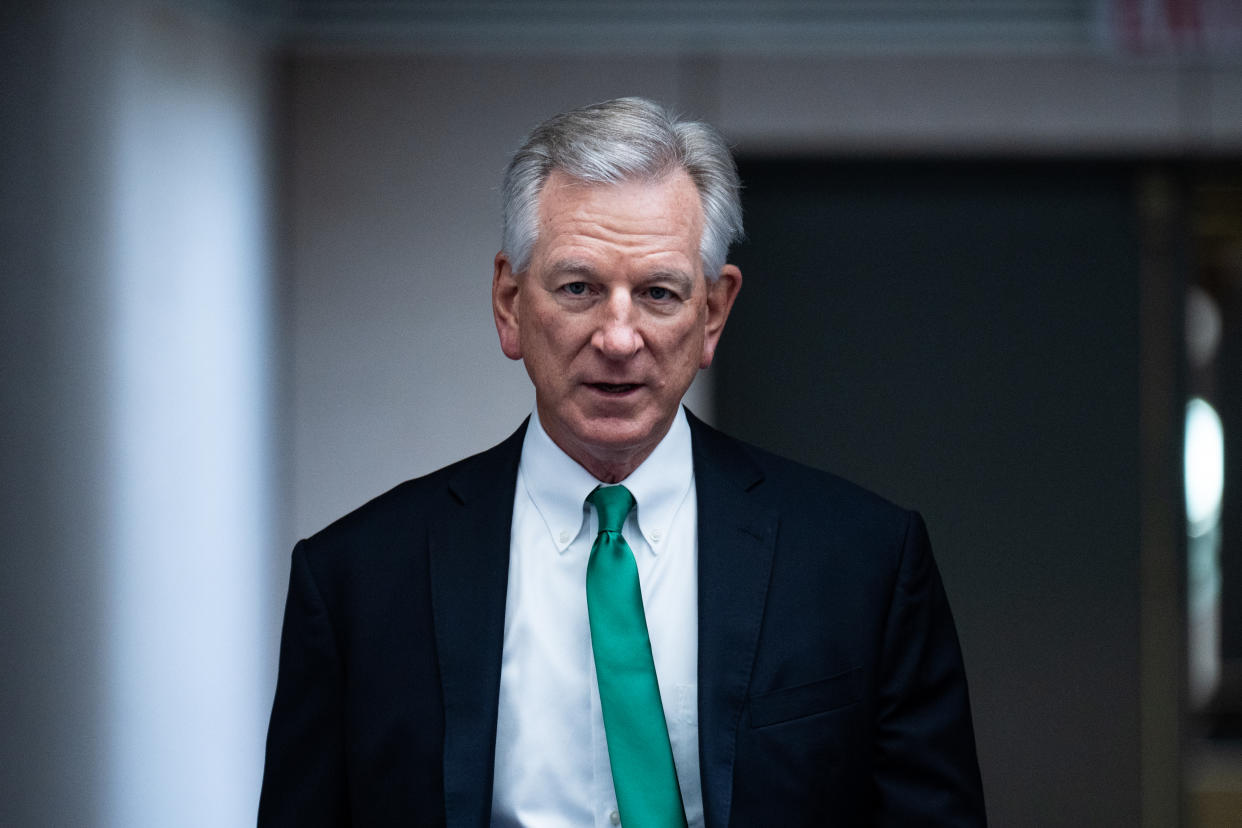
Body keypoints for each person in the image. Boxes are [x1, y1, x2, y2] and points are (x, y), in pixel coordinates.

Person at [258, 96, 986, 827]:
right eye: (579, 288)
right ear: (509, 303)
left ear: (713, 314)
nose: (618, 336)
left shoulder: (863, 562)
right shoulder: (356, 579)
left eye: (658, 293)